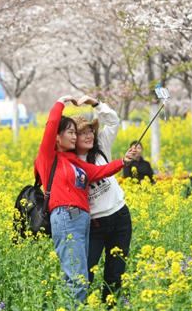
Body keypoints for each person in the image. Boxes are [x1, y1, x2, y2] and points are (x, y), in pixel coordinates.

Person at [35, 95, 136, 306]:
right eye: (71, 132)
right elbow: (52, 124)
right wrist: (60, 102)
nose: (75, 137)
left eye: (77, 132)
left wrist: (123, 161)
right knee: (78, 280)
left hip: (83, 219)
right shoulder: (47, 156)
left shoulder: (72, 160)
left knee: (79, 277)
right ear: (56, 136)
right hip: (67, 218)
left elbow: (98, 171)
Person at [70, 96, 131, 306]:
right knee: (85, 274)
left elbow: (113, 121)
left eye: (90, 131)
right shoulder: (69, 163)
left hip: (120, 217)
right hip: (94, 224)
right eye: (82, 133)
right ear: (71, 139)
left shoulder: (101, 148)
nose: (89, 135)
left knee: (115, 275)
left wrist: (95, 103)